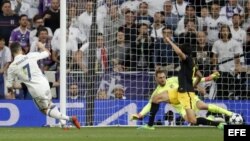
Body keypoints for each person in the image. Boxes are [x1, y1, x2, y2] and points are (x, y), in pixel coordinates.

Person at [6, 42, 80, 129]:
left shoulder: (12, 66)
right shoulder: (30, 55)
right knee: (50, 104)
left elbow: (9, 85)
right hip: (45, 83)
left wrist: (11, 91)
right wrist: (42, 47)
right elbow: (47, 53)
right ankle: (63, 124)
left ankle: (69, 118)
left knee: (44, 110)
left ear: (12, 53)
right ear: (21, 50)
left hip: (36, 90)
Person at [131, 70, 234, 130]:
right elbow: (150, 104)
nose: (163, 79)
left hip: (189, 97)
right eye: (160, 78)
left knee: (203, 106)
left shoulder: (173, 80)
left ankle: (229, 114)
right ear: (156, 79)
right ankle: (217, 123)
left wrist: (209, 77)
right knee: (192, 121)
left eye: (163, 77)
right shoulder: (157, 92)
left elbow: (191, 80)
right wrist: (140, 114)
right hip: (181, 107)